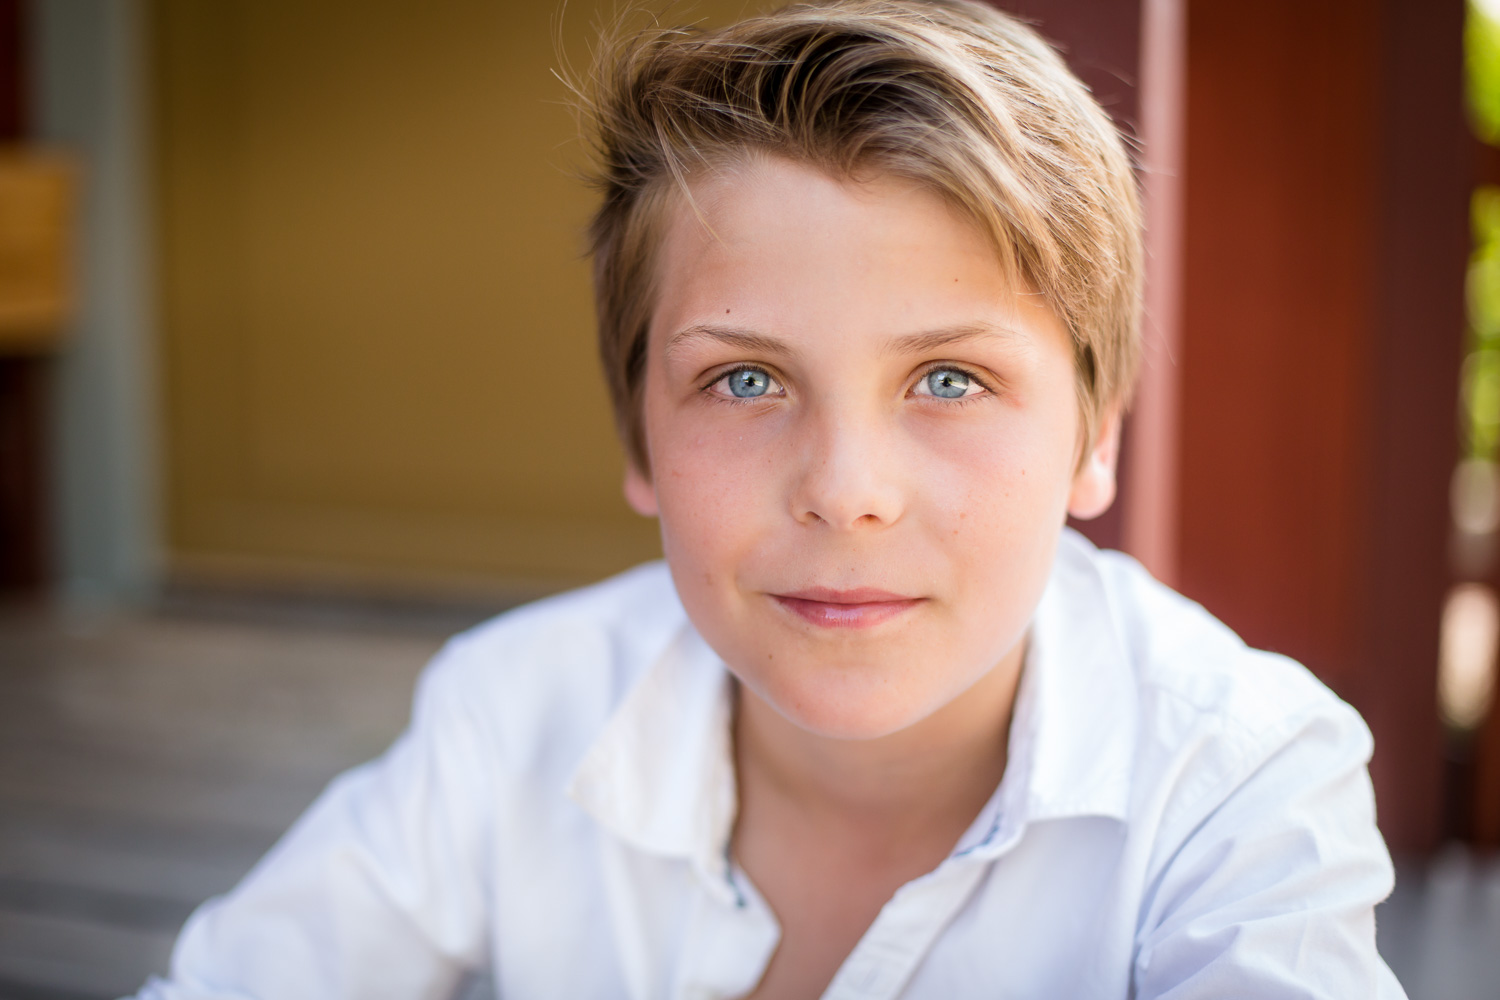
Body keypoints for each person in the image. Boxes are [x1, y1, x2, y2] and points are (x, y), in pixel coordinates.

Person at [135, 1, 1406, 997]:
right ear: (640, 431)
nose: (846, 492)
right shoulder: (515, 713)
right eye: (745, 377)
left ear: (1097, 435)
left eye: (951, 377)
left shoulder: (1238, 788)